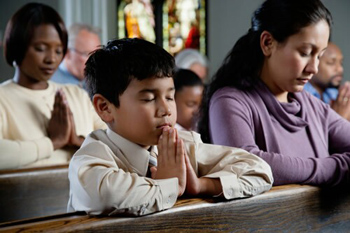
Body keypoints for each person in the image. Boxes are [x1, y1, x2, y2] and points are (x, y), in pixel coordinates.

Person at [67, 38, 273, 216]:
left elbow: (260, 170)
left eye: (170, 96)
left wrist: (201, 185)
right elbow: (107, 195)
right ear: (105, 108)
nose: (165, 109)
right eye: (148, 98)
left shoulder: (181, 145)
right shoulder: (91, 158)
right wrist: (169, 184)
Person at [200, 0, 350, 186]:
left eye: (319, 56)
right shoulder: (230, 102)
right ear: (268, 43)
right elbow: (248, 165)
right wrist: (338, 166)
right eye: (305, 53)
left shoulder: (312, 106)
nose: (314, 68)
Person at [0, 3, 106, 170]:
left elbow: (115, 142)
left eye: (58, 51)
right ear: (17, 46)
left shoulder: (76, 95)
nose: (51, 59)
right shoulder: (3, 98)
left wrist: (77, 141)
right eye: (41, 49)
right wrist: (53, 143)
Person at [304, 42, 350, 120]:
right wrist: (338, 119)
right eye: (331, 63)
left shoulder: (335, 94)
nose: (340, 69)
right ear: (313, 63)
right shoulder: (299, 96)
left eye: (341, 63)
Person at [51, 23, 101, 87]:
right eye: (87, 54)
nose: (95, 61)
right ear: (66, 53)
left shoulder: (95, 84)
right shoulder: (50, 84)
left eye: (97, 54)